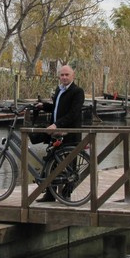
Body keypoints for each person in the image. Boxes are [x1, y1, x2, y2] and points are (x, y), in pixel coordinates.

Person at [34, 64, 85, 202]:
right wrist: (44, 106)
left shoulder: (77, 92)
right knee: (52, 162)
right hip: (56, 132)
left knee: (69, 167)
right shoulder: (59, 90)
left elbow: (73, 114)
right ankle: (50, 195)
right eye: (62, 75)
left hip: (70, 133)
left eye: (66, 75)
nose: (64, 77)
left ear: (73, 76)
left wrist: (57, 124)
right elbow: (57, 108)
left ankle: (66, 196)